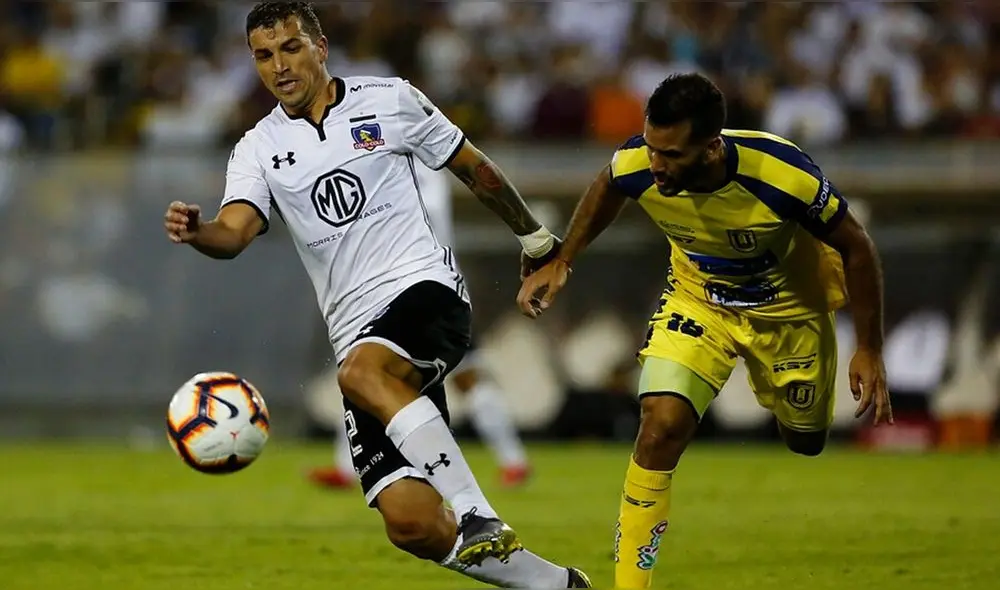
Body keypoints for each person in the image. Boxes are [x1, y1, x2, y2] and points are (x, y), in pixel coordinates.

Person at [162, 3, 588, 588]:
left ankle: (477, 512)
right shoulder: (257, 147)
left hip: (425, 291)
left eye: (290, 48)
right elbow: (234, 232)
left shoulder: (390, 100)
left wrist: (537, 239)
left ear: (320, 46)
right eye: (264, 55)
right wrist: (198, 231)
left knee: (361, 374)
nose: (279, 66)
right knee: (410, 523)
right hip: (357, 335)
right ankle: (555, 584)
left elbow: (473, 168)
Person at [517, 73, 893, 589]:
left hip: (791, 316)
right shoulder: (639, 163)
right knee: (659, 425)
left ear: (712, 147)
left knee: (806, 440)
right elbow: (609, 183)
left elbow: (858, 247)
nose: (656, 165)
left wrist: (869, 348)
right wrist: (564, 257)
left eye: (670, 155)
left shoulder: (782, 176)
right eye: (651, 148)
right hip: (700, 303)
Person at [308, 159, 532, 491]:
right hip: (394, 285)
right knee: (363, 367)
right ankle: (346, 466)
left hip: (427, 285)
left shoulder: (416, 168)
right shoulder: (397, 164)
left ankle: (512, 461)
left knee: (463, 375)